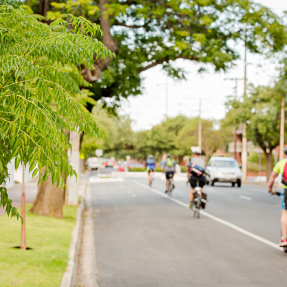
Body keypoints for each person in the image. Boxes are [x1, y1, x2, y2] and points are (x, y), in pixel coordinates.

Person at [268, 146, 287, 247]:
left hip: (286, 190)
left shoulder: (282, 163)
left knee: (285, 213)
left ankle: (284, 238)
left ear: (285, 154)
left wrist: (270, 189)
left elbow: (272, 177)